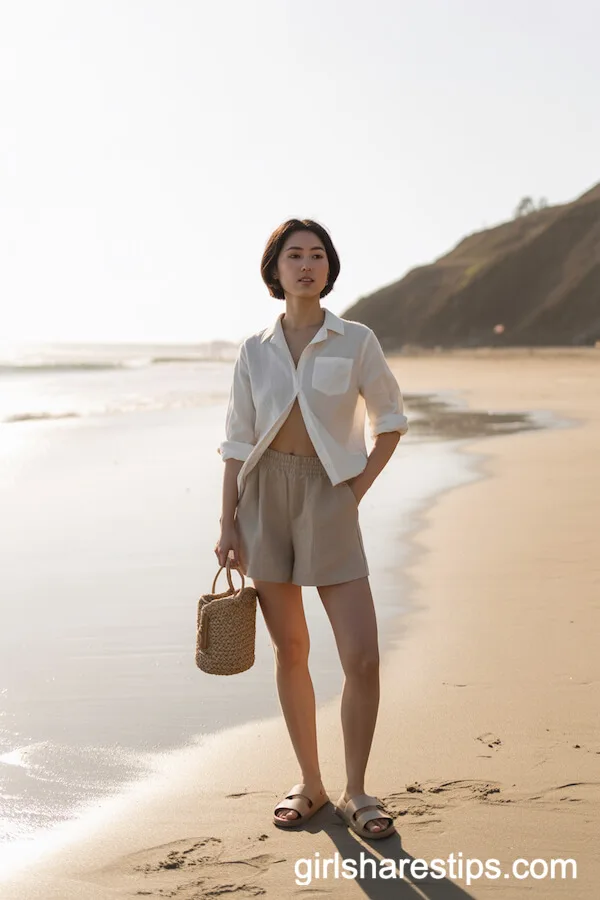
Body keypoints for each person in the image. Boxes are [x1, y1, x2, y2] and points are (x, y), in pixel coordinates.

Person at [215, 218, 408, 839]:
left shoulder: (355, 340)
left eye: (317, 255)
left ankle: (356, 790)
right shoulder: (255, 348)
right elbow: (237, 440)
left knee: (362, 655)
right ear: (274, 269)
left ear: (330, 267)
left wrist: (354, 491)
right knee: (290, 650)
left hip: (330, 497)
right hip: (264, 500)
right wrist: (227, 521)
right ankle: (311, 783)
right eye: (294, 255)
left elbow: (391, 419)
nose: (306, 265)